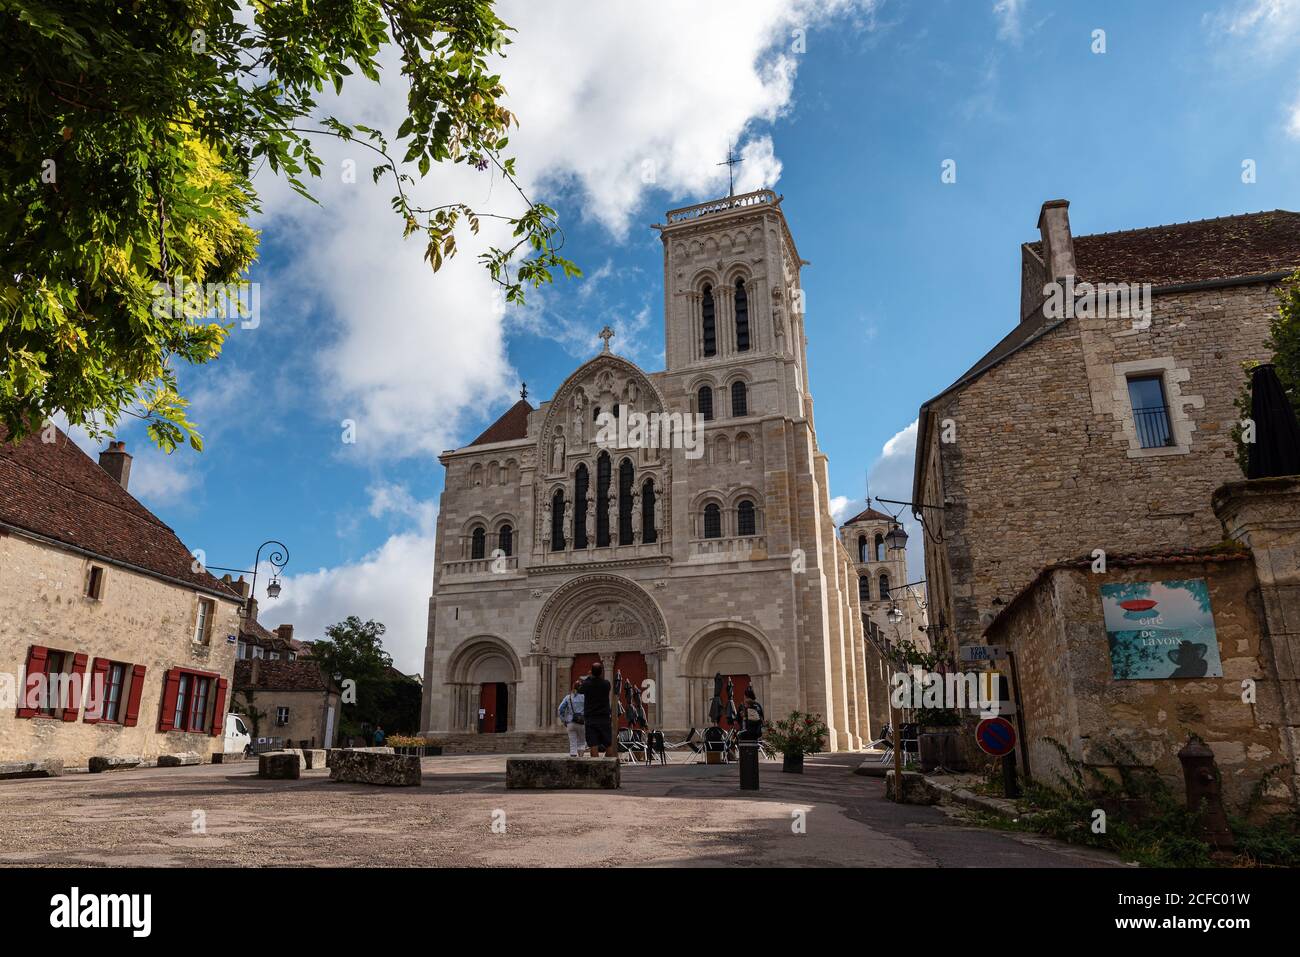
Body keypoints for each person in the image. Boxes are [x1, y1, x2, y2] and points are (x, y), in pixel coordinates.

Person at [579, 662, 613, 757]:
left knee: (593, 744)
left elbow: (580, 689)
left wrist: (589, 677)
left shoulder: (587, 684)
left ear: (592, 672)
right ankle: (609, 766)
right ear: (602, 672)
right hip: (604, 717)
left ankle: (596, 766)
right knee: (608, 744)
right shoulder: (606, 684)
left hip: (591, 718)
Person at [558, 680, 586, 757]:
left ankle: (573, 760)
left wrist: (563, 720)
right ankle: (580, 759)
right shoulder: (585, 697)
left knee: (572, 743)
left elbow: (560, 709)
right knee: (582, 742)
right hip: (582, 722)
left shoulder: (568, 697)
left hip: (570, 722)